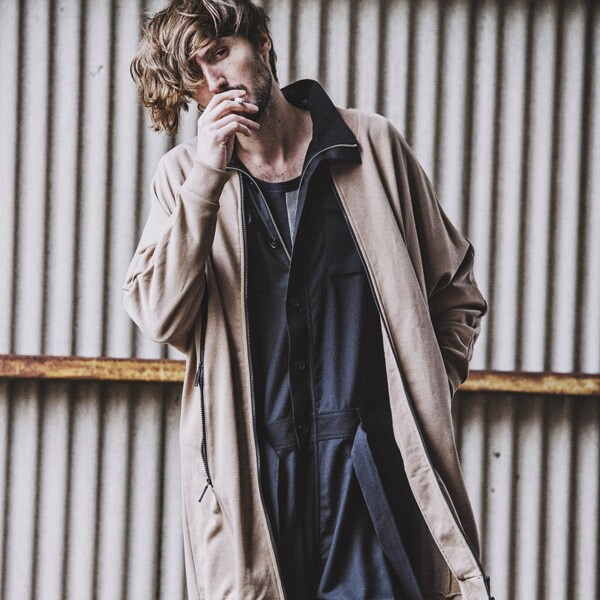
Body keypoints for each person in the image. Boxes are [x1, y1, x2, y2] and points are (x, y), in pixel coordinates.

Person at [123, 1, 494, 599]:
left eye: (220, 53)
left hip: (369, 474)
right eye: (195, 74)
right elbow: (161, 315)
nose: (216, 81)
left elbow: (455, 291)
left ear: (263, 45)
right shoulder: (183, 176)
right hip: (255, 480)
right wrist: (206, 181)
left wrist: (427, 385)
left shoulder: (372, 147)